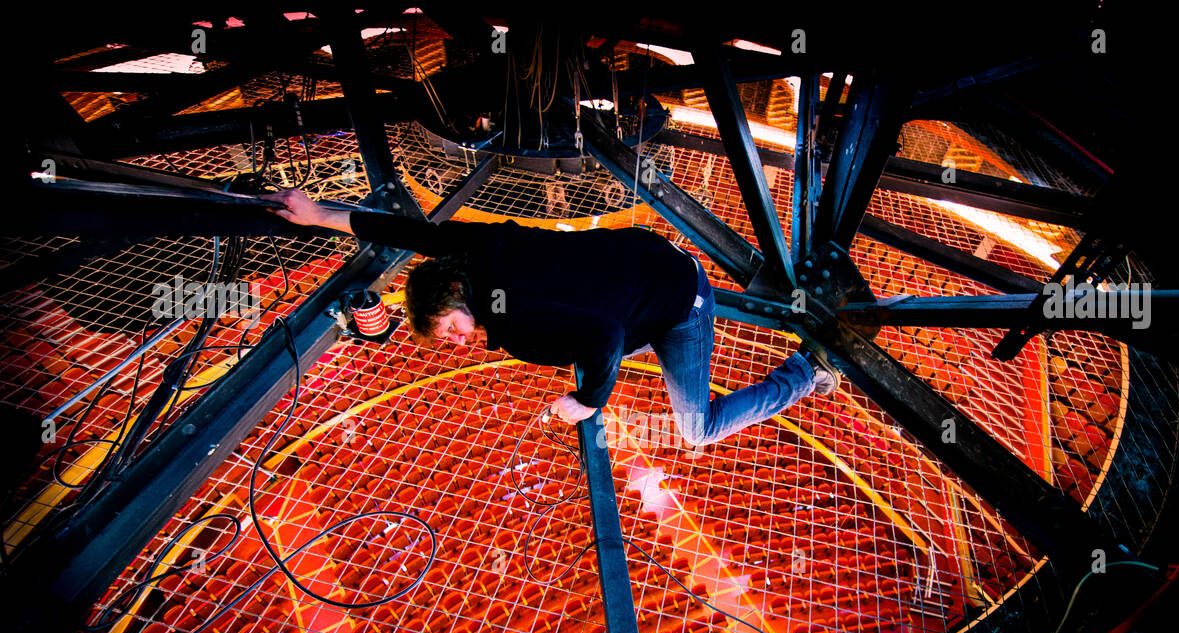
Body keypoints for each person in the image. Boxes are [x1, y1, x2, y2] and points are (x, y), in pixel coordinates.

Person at [269, 188, 839, 445]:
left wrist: (587, 399)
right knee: (599, 335)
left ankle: (803, 375)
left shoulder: (514, 323)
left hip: (676, 304)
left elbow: (605, 336)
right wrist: (319, 213)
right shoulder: (474, 248)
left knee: (697, 429)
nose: (457, 341)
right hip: (652, 255)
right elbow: (403, 231)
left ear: (452, 298)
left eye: (448, 330)